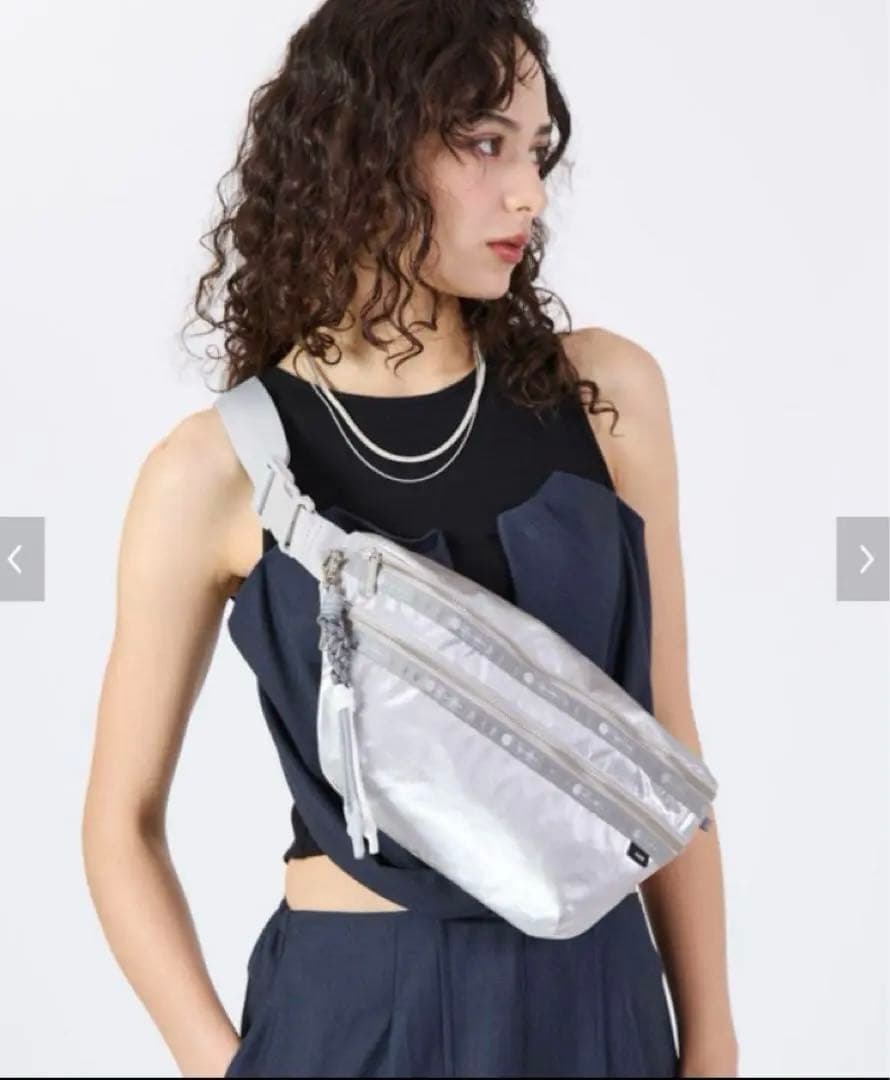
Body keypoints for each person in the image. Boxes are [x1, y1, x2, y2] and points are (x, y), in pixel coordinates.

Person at [82, 1, 738, 1076]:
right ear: (363, 148)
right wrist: (224, 1065)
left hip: (595, 997)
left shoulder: (607, 394)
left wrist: (710, 1039)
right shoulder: (211, 470)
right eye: (482, 143)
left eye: (535, 150)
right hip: (352, 1011)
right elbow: (120, 822)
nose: (527, 192)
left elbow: (665, 737)